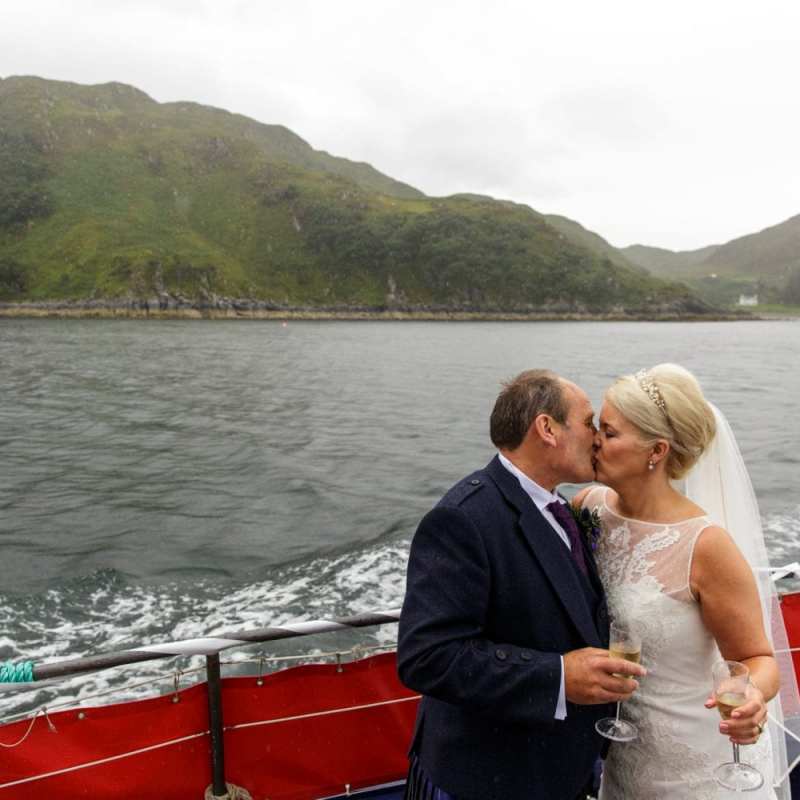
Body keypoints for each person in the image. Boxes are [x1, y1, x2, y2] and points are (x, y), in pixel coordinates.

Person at [398, 369, 646, 800]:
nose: (597, 438)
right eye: (588, 423)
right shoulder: (464, 518)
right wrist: (558, 677)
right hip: (484, 778)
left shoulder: (563, 508)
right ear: (547, 429)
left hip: (556, 770)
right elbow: (427, 656)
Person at [574, 363, 785, 799]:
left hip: (694, 767)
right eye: (599, 426)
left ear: (657, 450)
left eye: (610, 433)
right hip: (621, 756)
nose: (594, 439)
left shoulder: (706, 547)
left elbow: (759, 658)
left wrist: (749, 696)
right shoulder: (588, 507)